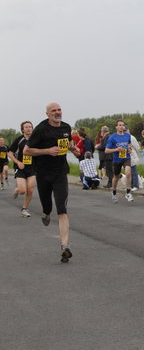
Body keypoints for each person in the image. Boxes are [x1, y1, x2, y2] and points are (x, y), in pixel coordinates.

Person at [24, 103, 80, 263]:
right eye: (54, 111)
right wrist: (47, 151)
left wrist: (73, 149)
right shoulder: (41, 129)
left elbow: (67, 143)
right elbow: (27, 151)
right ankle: (45, 212)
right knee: (48, 205)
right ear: (47, 114)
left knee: (62, 208)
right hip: (43, 173)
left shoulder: (67, 127)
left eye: (59, 110)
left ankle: (64, 246)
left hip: (60, 172)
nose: (57, 112)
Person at [8, 121, 36, 217]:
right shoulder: (19, 140)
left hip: (32, 167)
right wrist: (18, 162)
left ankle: (24, 209)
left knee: (31, 190)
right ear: (22, 129)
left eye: (30, 127)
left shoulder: (36, 139)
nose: (29, 128)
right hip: (20, 167)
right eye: (26, 127)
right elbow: (10, 153)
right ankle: (18, 189)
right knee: (22, 191)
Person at [105, 120, 134, 203]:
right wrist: (116, 149)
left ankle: (128, 192)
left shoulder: (127, 136)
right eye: (120, 125)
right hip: (117, 159)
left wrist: (129, 149)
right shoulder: (112, 137)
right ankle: (114, 192)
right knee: (116, 177)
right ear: (116, 127)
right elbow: (106, 150)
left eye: (123, 125)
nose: (121, 127)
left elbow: (129, 144)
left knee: (128, 172)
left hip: (126, 157)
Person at [125, 126, 140, 192]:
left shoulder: (132, 138)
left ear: (128, 130)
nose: (125, 131)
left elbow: (137, 147)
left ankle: (136, 185)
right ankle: (130, 186)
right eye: (124, 130)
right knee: (128, 172)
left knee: (134, 171)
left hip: (132, 156)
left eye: (126, 130)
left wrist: (135, 155)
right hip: (125, 157)